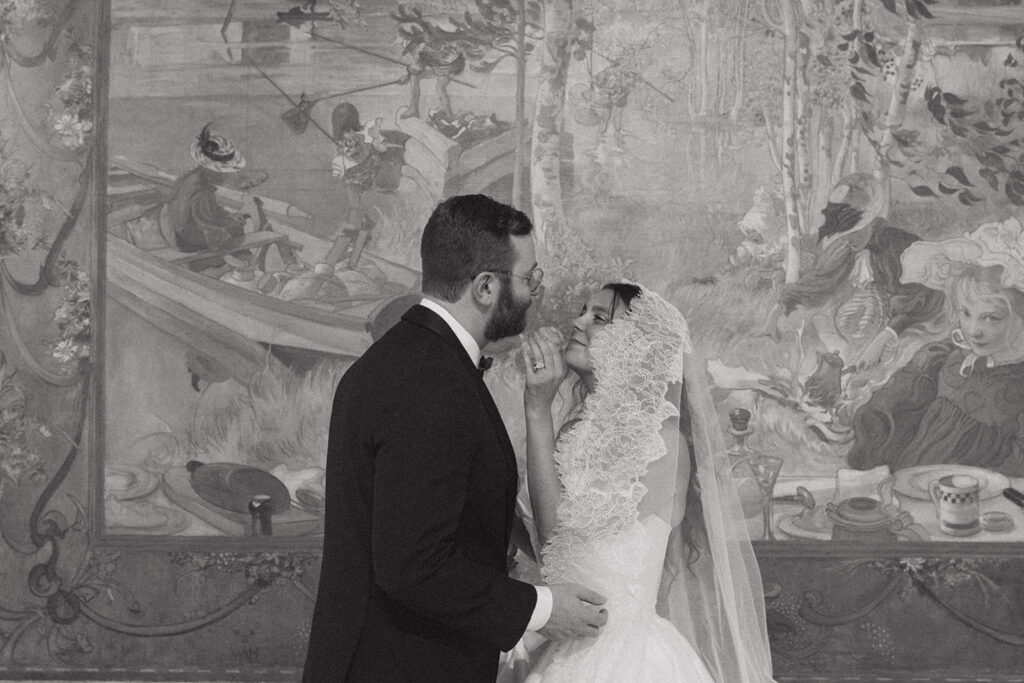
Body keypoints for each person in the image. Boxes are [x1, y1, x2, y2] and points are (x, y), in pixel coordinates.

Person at [303, 195, 609, 682]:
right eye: (529, 278)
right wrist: (541, 607)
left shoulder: (412, 360)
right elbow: (414, 564)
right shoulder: (431, 381)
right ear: (486, 287)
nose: (535, 293)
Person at [515, 282, 775, 682]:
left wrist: (537, 411)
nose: (578, 322)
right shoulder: (576, 433)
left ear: (637, 347)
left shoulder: (661, 443)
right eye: (584, 311)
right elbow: (546, 547)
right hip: (569, 644)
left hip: (625, 659)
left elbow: (560, 552)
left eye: (598, 317)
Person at [847, 217, 1024, 475]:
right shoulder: (949, 355)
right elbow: (902, 399)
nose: (973, 329)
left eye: (991, 317)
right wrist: (871, 419)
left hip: (977, 496)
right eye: (965, 313)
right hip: (913, 483)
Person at [759, 174, 946, 369]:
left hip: (903, 326)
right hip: (853, 332)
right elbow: (816, 284)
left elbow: (925, 296)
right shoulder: (845, 249)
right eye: (843, 234)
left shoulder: (897, 246)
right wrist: (773, 318)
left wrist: (883, 338)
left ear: (868, 223)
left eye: (852, 232)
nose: (847, 239)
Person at [165, 123, 252, 254]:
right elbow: (209, 228)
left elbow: (207, 212)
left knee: (233, 222)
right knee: (237, 228)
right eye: (225, 172)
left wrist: (228, 216)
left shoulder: (190, 177)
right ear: (214, 170)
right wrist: (233, 231)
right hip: (187, 241)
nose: (228, 175)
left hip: (176, 230)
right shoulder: (202, 193)